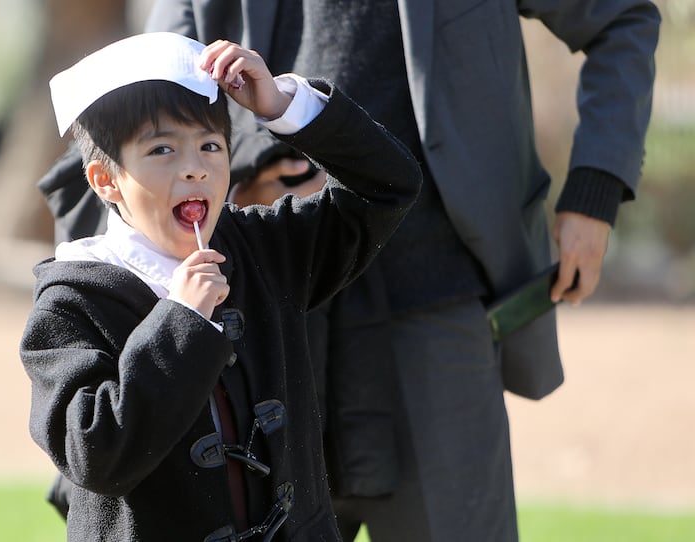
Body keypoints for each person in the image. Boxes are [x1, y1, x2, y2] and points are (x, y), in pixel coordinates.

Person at [136, 2, 661, 541]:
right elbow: (141, 100)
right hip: (262, 324)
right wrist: (243, 172)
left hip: (435, 314)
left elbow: (623, 20)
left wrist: (595, 192)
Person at [20, 32, 420, 541]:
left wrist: (283, 107)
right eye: (161, 149)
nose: (194, 167)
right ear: (106, 181)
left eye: (211, 145)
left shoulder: (261, 249)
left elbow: (389, 185)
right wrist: (181, 322)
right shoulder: (71, 301)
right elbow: (94, 454)